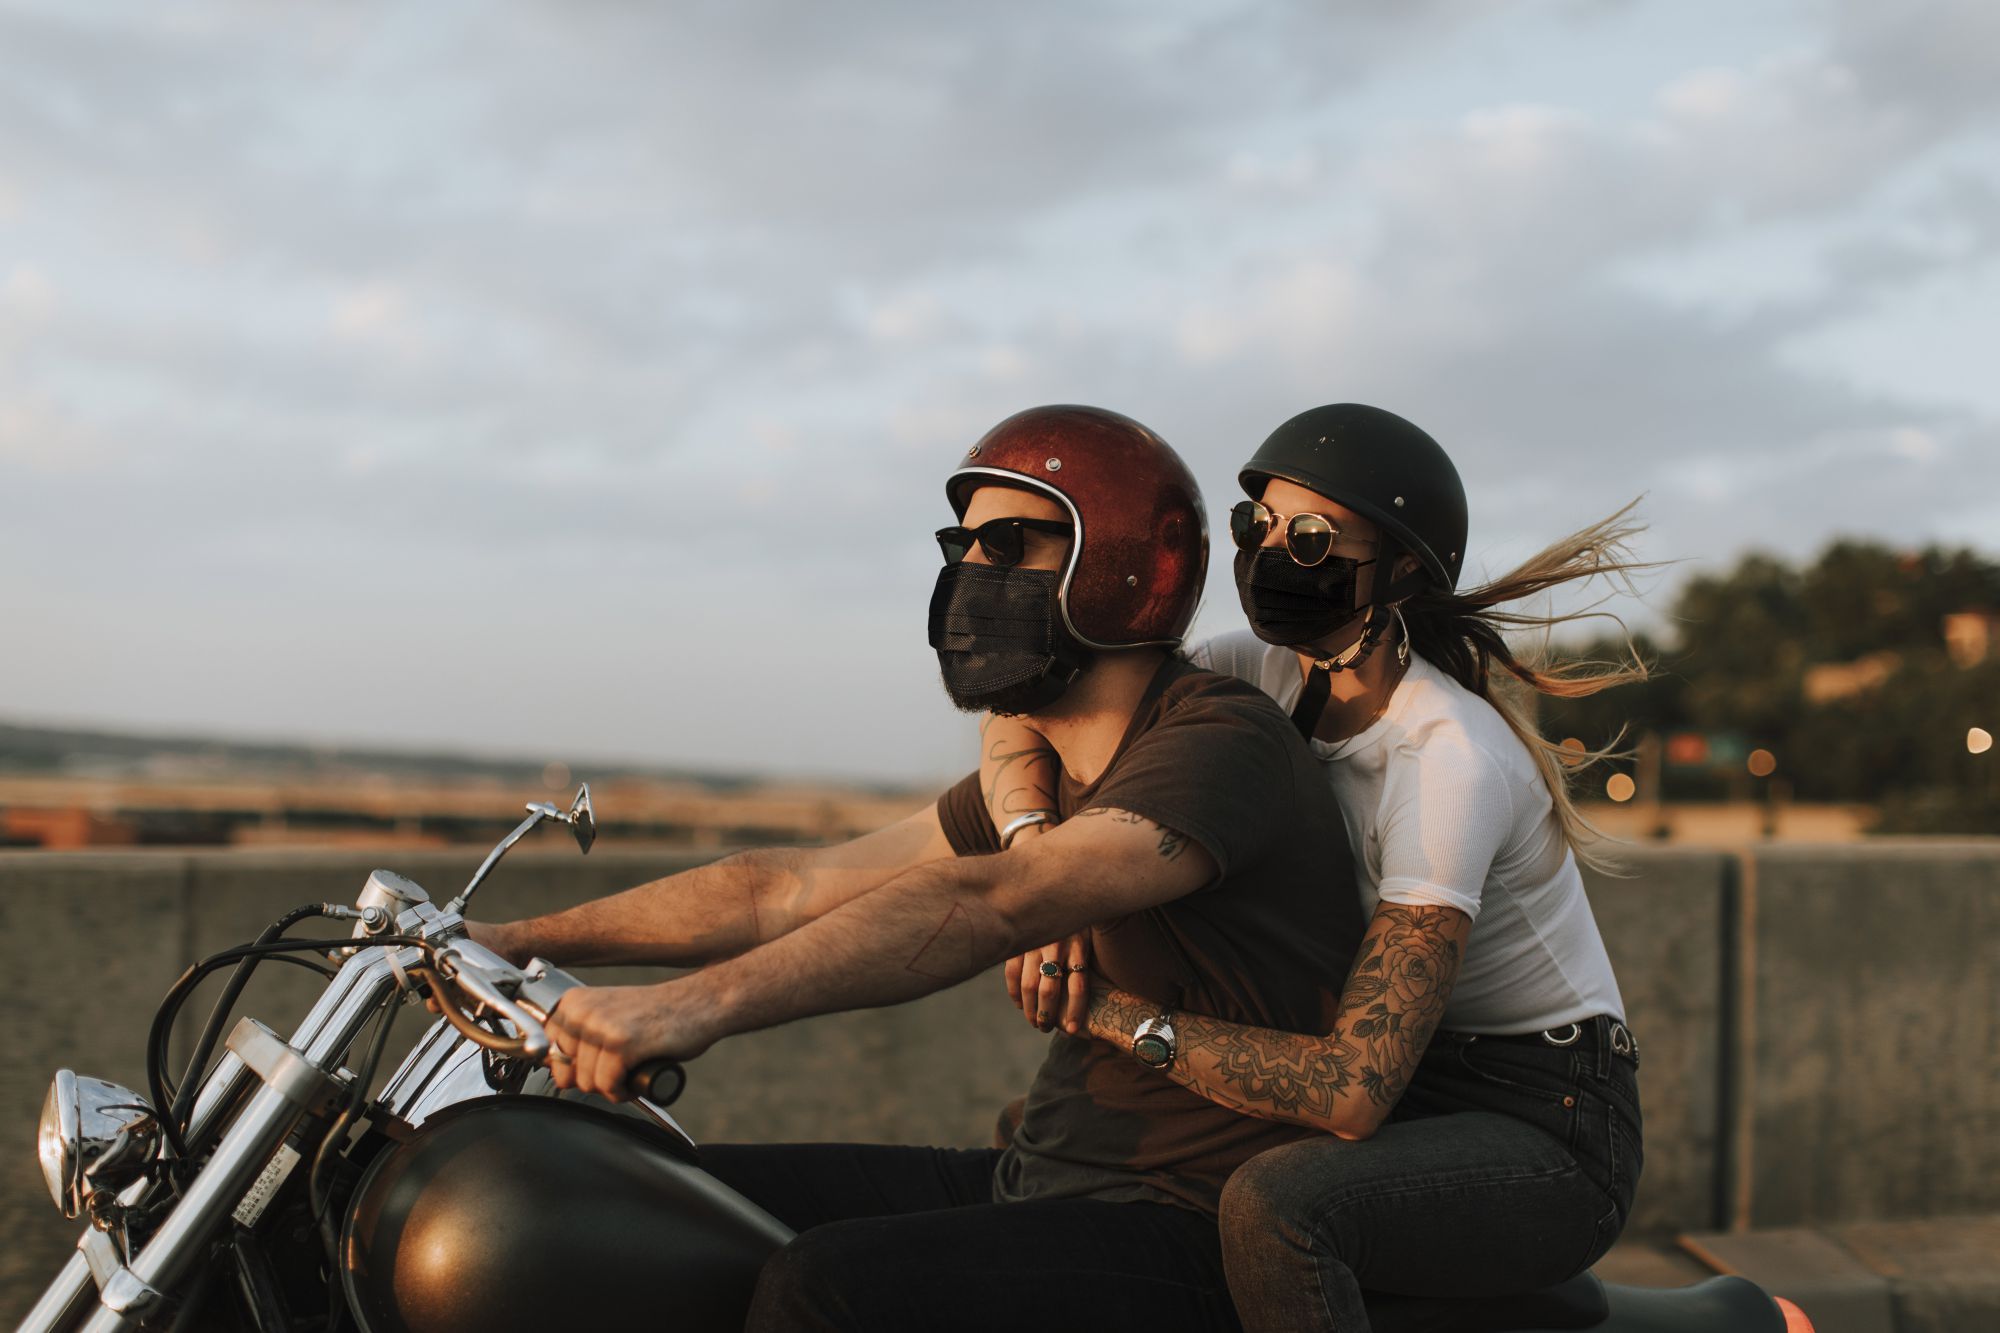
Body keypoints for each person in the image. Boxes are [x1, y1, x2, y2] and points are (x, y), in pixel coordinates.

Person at [466, 404, 1370, 1332]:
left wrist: (688, 1007)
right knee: (640, 1196)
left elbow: (995, 901)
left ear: (1119, 560)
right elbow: (787, 888)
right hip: (1035, 1176)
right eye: (960, 544)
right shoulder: (1045, 773)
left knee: (828, 1285)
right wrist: (502, 940)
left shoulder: (1219, 742)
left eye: (1008, 544)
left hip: (1182, 1225)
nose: (968, 573)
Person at [986, 403, 1649, 1332]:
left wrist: (1115, 1017)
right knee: (1052, 1141)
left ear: (1406, 566)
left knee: (1278, 1208)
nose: (1269, 556)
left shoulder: (1445, 756)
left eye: (1311, 537)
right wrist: (1038, 865)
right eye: (1254, 528)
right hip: (1410, 1082)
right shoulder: (1254, 670)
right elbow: (1036, 691)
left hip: (1545, 1118)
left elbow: (1350, 1088)